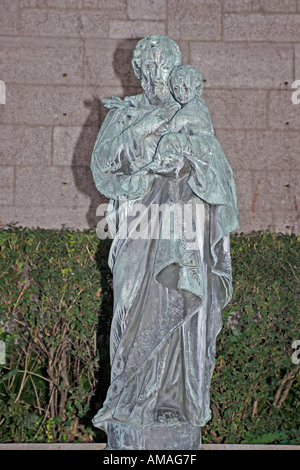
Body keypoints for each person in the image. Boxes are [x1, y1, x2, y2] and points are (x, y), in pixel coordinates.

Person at [91, 34, 239, 450]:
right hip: (139, 222)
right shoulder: (124, 114)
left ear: (175, 70)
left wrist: (189, 159)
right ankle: (128, 402)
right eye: (147, 65)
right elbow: (103, 168)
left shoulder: (192, 111)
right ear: (136, 71)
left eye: (162, 65)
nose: (154, 73)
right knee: (131, 305)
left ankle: (173, 404)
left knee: (184, 302)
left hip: (185, 225)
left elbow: (218, 170)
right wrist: (132, 173)